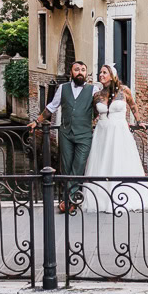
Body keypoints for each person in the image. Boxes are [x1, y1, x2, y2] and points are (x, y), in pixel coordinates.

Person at [80, 65, 148, 211]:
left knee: (120, 161)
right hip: (102, 133)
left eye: (104, 73)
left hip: (119, 132)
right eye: (100, 73)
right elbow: (94, 114)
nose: (101, 75)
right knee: (103, 162)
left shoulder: (124, 90)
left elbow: (133, 105)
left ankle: (124, 195)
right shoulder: (97, 95)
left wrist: (139, 121)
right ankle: (101, 199)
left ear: (112, 75)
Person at [30, 60, 99, 198]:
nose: (80, 72)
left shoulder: (94, 90)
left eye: (83, 70)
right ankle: (70, 199)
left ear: (86, 73)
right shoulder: (63, 88)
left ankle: (68, 199)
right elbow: (51, 107)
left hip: (84, 135)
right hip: (66, 133)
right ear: (71, 73)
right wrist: (37, 121)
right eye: (77, 69)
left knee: (78, 166)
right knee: (66, 168)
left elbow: (100, 110)